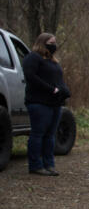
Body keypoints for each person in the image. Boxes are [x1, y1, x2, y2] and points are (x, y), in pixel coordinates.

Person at [23, 33, 70, 176]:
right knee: (38, 134)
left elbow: (58, 79)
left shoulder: (53, 61)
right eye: (51, 42)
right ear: (43, 42)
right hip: (39, 102)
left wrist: (64, 91)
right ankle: (35, 165)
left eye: (55, 42)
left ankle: (49, 164)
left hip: (54, 103)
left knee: (50, 135)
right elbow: (31, 77)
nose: (54, 44)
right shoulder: (33, 58)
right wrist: (51, 89)